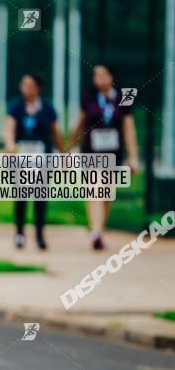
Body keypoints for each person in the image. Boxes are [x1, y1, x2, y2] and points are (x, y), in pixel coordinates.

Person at [68, 64, 139, 250]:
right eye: (95, 75)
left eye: (103, 75)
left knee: (106, 192)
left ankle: (99, 228)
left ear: (112, 77)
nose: (98, 78)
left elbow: (128, 127)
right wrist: (68, 149)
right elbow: (80, 124)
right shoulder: (89, 97)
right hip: (91, 151)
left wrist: (133, 156)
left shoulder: (124, 97)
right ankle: (96, 233)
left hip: (113, 153)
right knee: (95, 188)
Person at [4, 73, 65, 250]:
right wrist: (9, 147)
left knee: (40, 196)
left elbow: (55, 132)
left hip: (42, 158)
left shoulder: (47, 107)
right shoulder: (16, 106)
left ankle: (39, 235)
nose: (26, 88)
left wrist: (63, 154)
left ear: (37, 88)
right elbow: (10, 126)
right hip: (22, 158)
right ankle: (20, 234)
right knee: (21, 196)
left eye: (30, 85)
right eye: (24, 84)